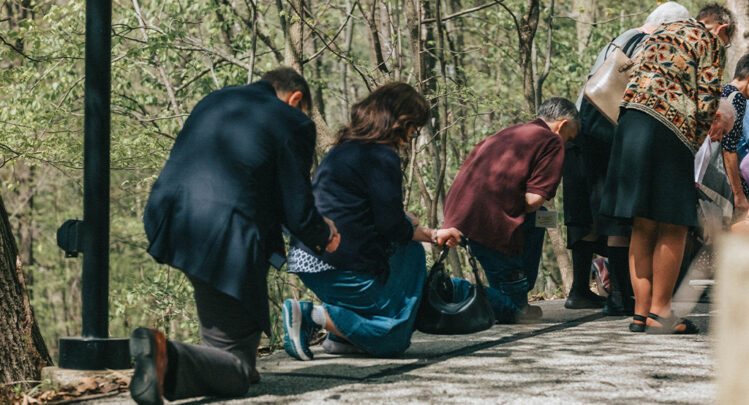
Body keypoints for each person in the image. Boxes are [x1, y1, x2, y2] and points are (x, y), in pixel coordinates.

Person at [129, 68, 341, 404]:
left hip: (170, 218)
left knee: (226, 331)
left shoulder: (216, 100)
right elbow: (297, 209)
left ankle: (218, 359)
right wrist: (323, 233)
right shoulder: (292, 120)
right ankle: (167, 357)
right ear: (295, 98)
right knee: (238, 372)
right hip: (226, 235)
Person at [282, 83, 522, 360]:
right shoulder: (381, 155)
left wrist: (414, 225)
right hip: (340, 265)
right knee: (393, 333)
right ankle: (310, 315)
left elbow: (359, 213)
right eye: (413, 128)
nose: (411, 137)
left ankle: (342, 337)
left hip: (306, 260)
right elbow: (392, 228)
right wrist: (429, 233)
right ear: (401, 123)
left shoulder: (343, 149)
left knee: (404, 258)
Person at [600, 4, 734, 334]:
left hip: (630, 124)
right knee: (673, 223)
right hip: (669, 129)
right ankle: (661, 312)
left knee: (643, 223)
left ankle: (640, 313)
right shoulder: (709, 40)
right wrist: (704, 135)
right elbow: (706, 99)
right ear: (720, 28)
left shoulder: (660, 33)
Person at [563, 2, 691, 313]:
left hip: (587, 131)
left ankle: (600, 294)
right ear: (671, 25)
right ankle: (624, 298)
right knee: (625, 221)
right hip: (615, 135)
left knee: (596, 219)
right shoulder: (650, 43)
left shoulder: (619, 38)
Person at [443, 98, 580, 317]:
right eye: (569, 138)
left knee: (540, 218)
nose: (567, 144)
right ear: (562, 125)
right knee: (515, 312)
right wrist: (510, 209)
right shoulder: (551, 141)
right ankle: (452, 289)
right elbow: (534, 200)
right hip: (491, 219)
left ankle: (515, 294)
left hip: (459, 216)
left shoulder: (509, 132)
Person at [719, 53, 749, 220]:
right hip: (723, 181)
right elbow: (728, 149)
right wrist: (739, 196)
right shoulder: (737, 98)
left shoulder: (722, 90)